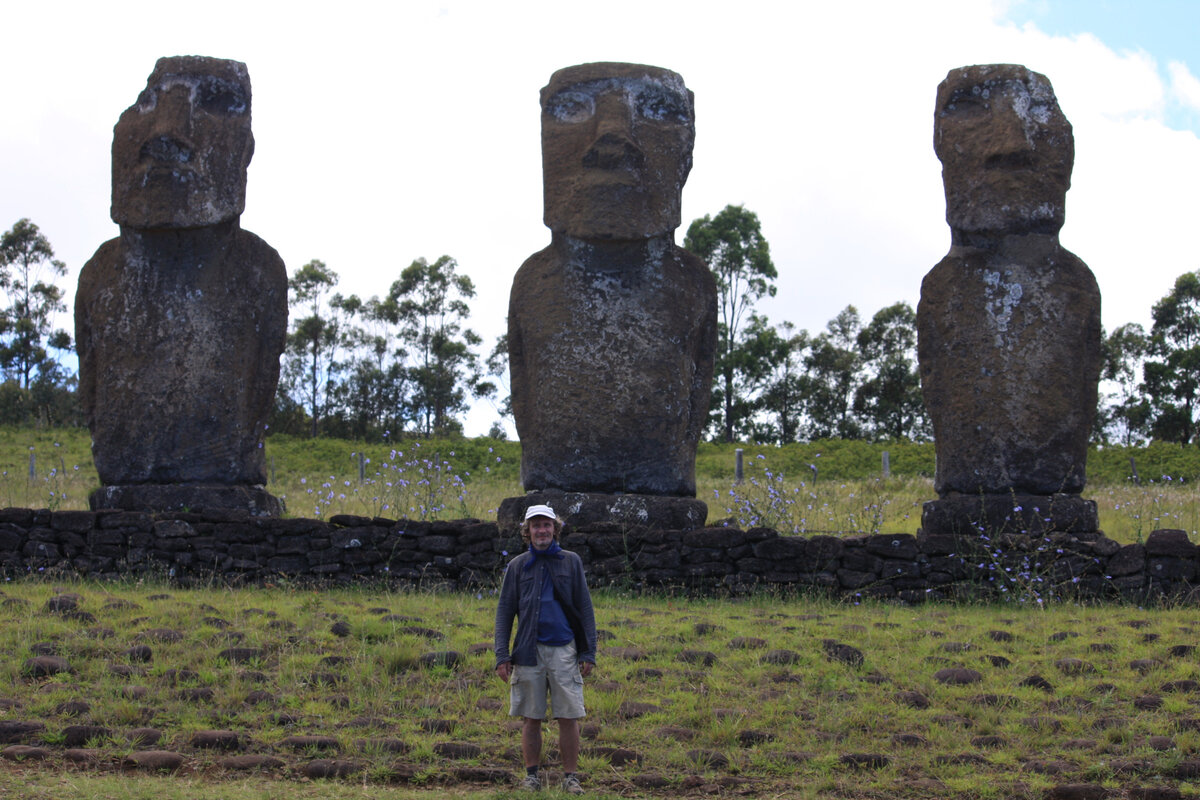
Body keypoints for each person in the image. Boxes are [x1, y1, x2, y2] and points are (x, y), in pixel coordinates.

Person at [494, 504, 597, 794]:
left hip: (565, 650)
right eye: (536, 525)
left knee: (569, 716)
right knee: (531, 717)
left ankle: (570, 778)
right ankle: (531, 776)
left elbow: (585, 608)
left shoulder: (571, 562)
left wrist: (589, 652)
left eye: (547, 525)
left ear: (555, 529)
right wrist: (502, 655)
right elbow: (504, 613)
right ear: (527, 531)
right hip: (527, 651)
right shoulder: (516, 566)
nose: (542, 530)